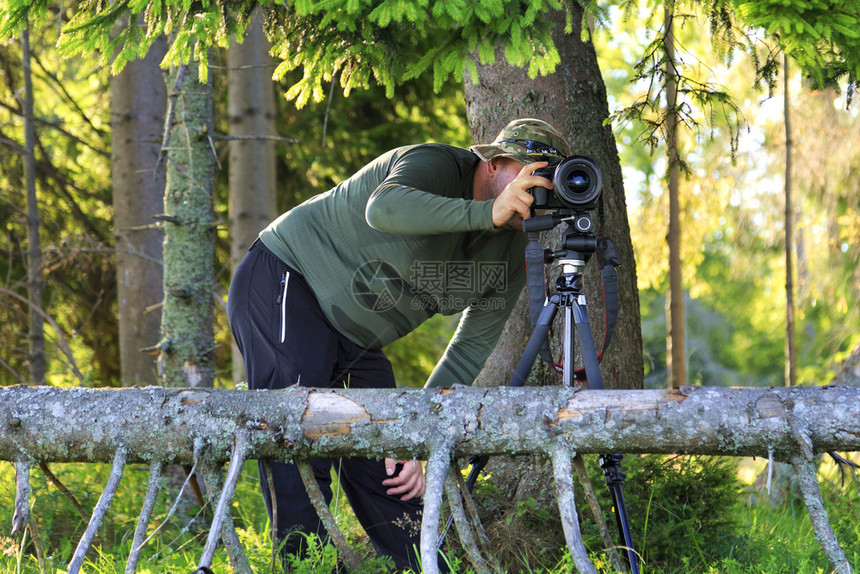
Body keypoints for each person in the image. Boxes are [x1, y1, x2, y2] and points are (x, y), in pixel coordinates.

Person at [227, 118, 571, 571]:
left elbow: (469, 348)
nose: (531, 192)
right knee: (296, 445)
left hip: (355, 340)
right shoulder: (435, 164)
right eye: (527, 174)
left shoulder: (510, 251)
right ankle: (305, 566)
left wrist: (418, 438)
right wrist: (486, 214)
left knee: (393, 460)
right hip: (289, 279)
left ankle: (422, 567)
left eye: (543, 183)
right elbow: (383, 209)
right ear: (494, 162)